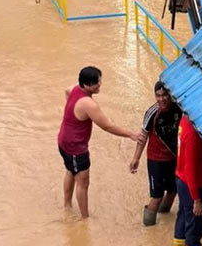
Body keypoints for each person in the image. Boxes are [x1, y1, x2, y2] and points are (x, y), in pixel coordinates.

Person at [57, 66, 143, 218]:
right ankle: (84, 219)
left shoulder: (75, 88)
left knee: (70, 170)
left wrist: (73, 112)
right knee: (83, 182)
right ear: (87, 85)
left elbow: (66, 91)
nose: (100, 84)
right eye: (97, 82)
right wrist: (131, 135)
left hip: (63, 140)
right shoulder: (88, 104)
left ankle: (67, 205)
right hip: (75, 147)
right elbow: (107, 126)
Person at [129, 81, 183, 226]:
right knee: (157, 196)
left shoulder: (179, 109)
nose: (161, 99)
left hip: (173, 157)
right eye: (158, 96)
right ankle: (149, 227)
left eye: (164, 95)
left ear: (170, 95)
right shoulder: (152, 113)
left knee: (172, 191)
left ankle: (164, 217)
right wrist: (136, 158)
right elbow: (143, 136)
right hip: (156, 160)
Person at [173, 115, 202, 246]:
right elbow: (190, 168)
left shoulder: (185, 119)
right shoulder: (193, 134)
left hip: (181, 179)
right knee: (194, 227)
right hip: (191, 185)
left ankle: (179, 243)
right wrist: (196, 200)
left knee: (183, 215)